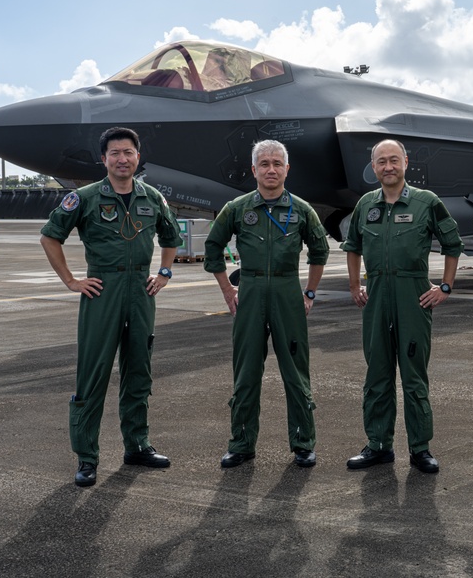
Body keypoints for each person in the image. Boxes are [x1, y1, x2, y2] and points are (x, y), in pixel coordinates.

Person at [40, 126, 183, 487]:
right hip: (101, 291)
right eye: (115, 153)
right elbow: (49, 236)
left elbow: (172, 237)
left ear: (138, 157)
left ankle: (137, 445)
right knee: (93, 374)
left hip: (141, 292)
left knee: (139, 373)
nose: (122, 159)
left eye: (128, 153)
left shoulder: (152, 197)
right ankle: (87, 457)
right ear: (104, 159)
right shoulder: (84, 198)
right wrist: (72, 280)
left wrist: (164, 272)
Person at [204, 140, 329, 469]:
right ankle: (241, 443)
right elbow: (213, 248)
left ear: (287, 169)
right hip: (251, 292)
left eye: (277, 163)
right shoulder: (237, 208)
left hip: (288, 291)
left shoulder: (302, 210)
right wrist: (227, 292)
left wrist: (310, 293)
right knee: (246, 373)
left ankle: (303, 443)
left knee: (296, 373)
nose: (271, 169)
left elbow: (320, 253)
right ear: (254, 170)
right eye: (264, 164)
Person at [342, 139, 463, 474]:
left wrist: (446, 287)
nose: (388, 167)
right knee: (377, 374)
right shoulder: (366, 205)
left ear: (406, 162)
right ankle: (378, 445)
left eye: (394, 160)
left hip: (413, 296)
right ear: (374, 166)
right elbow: (352, 246)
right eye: (381, 161)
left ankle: (420, 448)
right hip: (377, 296)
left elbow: (452, 244)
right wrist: (355, 285)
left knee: (414, 376)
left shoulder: (426, 202)